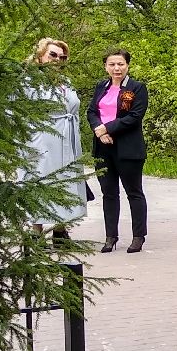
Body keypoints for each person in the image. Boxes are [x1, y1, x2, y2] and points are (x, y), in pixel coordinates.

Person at [87, 48, 148, 254]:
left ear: (127, 65)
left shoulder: (136, 88)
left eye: (120, 64)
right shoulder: (100, 87)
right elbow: (92, 112)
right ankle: (110, 236)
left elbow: (134, 116)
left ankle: (138, 236)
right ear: (106, 66)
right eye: (112, 64)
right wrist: (99, 130)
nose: (116, 68)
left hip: (128, 149)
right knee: (109, 193)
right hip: (103, 147)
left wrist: (108, 127)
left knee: (134, 192)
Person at [25, 38, 87, 234]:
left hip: (67, 138)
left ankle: (60, 228)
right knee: (40, 180)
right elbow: (15, 112)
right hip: (41, 138)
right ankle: (35, 232)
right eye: (53, 54)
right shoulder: (28, 79)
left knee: (65, 180)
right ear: (40, 55)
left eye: (62, 57)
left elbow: (73, 108)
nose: (57, 59)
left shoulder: (65, 82)